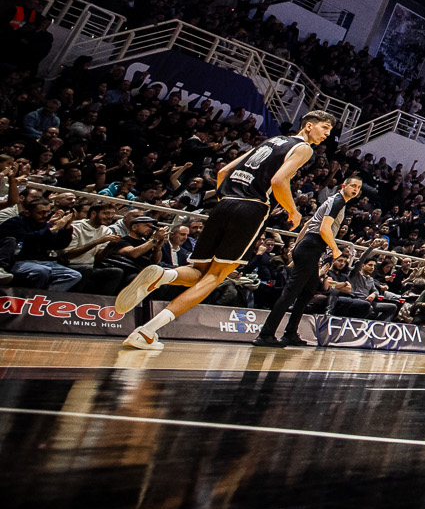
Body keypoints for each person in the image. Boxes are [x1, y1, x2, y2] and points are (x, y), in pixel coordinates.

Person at [113, 111, 332, 350]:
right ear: (309, 126)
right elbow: (279, 181)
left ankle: (164, 276)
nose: (327, 134)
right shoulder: (303, 148)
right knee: (215, 277)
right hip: (252, 208)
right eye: (324, 128)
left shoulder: (270, 141)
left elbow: (222, 172)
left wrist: (226, 200)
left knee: (199, 272)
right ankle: (146, 332)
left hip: (224, 203)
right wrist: (293, 212)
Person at [258, 174, 361, 346]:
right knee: (290, 293)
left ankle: (290, 332)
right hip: (311, 247)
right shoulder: (337, 202)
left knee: (308, 291)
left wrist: (295, 247)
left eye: (358, 188)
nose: (356, 190)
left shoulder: (333, 201)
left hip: (308, 246)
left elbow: (308, 225)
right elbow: (323, 229)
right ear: (344, 186)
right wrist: (335, 250)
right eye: (353, 186)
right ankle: (265, 334)